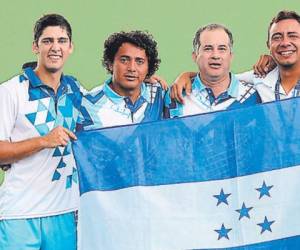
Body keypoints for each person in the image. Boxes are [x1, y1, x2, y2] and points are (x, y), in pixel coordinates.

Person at [0, 14, 82, 250]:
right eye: (47, 41)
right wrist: (44, 141)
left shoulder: (77, 90)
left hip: (65, 213)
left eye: (62, 40)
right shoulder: (11, 91)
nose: (55, 47)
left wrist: (151, 81)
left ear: (70, 47)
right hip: (20, 214)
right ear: (36, 46)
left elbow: (114, 96)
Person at [172, 10, 300, 104]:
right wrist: (186, 76)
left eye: (293, 35)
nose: (285, 43)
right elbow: (219, 78)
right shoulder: (260, 78)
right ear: (268, 45)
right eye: (277, 37)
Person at [164, 23, 261, 118]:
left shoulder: (253, 96)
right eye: (208, 49)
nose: (215, 55)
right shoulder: (175, 95)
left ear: (231, 56)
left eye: (222, 49)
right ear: (195, 56)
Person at [79, 30, 165, 130]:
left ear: (148, 67)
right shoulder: (88, 104)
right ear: (110, 64)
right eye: (124, 60)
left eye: (139, 62)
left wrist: (185, 76)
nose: (132, 68)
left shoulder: (160, 95)